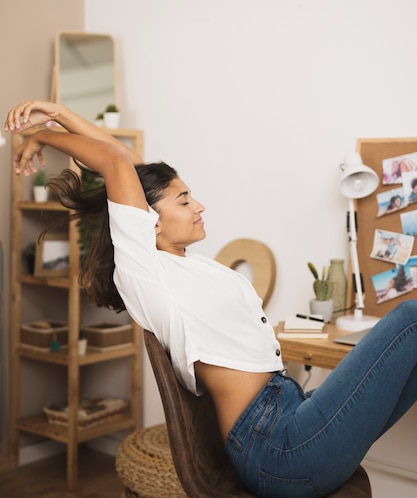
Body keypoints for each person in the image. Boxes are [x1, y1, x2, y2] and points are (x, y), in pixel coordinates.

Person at [5, 100, 417, 498]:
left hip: (289, 414)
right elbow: (115, 161)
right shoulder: (145, 273)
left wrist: (59, 114)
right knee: (410, 319)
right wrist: (44, 134)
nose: (199, 206)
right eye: (184, 200)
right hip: (278, 447)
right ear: (148, 220)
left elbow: (133, 166)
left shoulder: (182, 266)